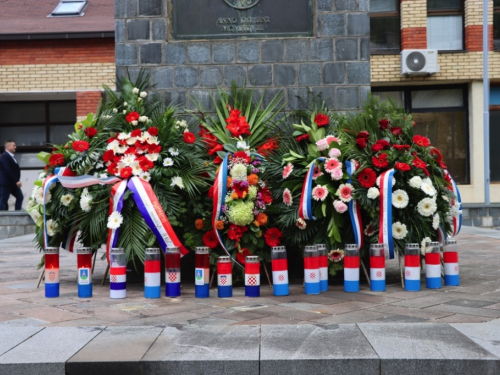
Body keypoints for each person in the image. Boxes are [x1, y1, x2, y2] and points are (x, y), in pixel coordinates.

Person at [0, 140, 23, 210]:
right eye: (14, 145)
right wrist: (16, 180)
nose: (15, 147)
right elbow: (7, 170)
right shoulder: (4, 156)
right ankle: (2, 217)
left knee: (20, 197)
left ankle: (18, 214)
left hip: (13, 183)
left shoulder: (11, 156)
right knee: (3, 200)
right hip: (6, 183)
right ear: (8, 146)